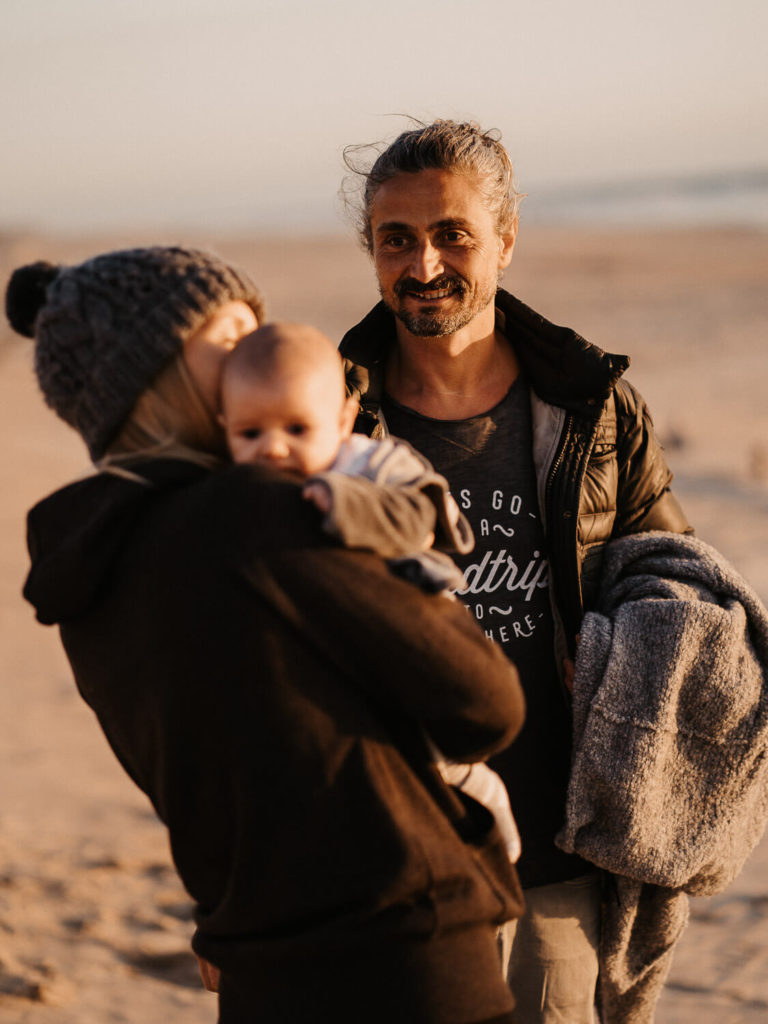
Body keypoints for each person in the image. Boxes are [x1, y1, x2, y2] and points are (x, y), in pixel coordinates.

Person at [8, 245, 527, 1024]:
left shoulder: (83, 570)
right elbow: (486, 703)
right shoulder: (255, 515)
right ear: (151, 373)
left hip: (255, 967)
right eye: (228, 338)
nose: (258, 351)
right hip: (404, 954)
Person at [338, 119, 693, 1023]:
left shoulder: (594, 411)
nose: (423, 266)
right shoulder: (331, 422)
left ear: (505, 236)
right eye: (397, 240)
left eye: (452, 234)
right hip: (392, 850)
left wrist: (617, 658)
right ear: (371, 249)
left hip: (562, 844)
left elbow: (678, 584)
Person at [218, 320, 522, 861]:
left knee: (432, 753)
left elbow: (424, 515)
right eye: (250, 434)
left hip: (417, 623)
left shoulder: (366, 463)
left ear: (340, 420)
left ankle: (484, 799)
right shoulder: (243, 491)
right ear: (226, 430)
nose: (273, 449)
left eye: (296, 429)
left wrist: (344, 504)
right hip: (336, 651)